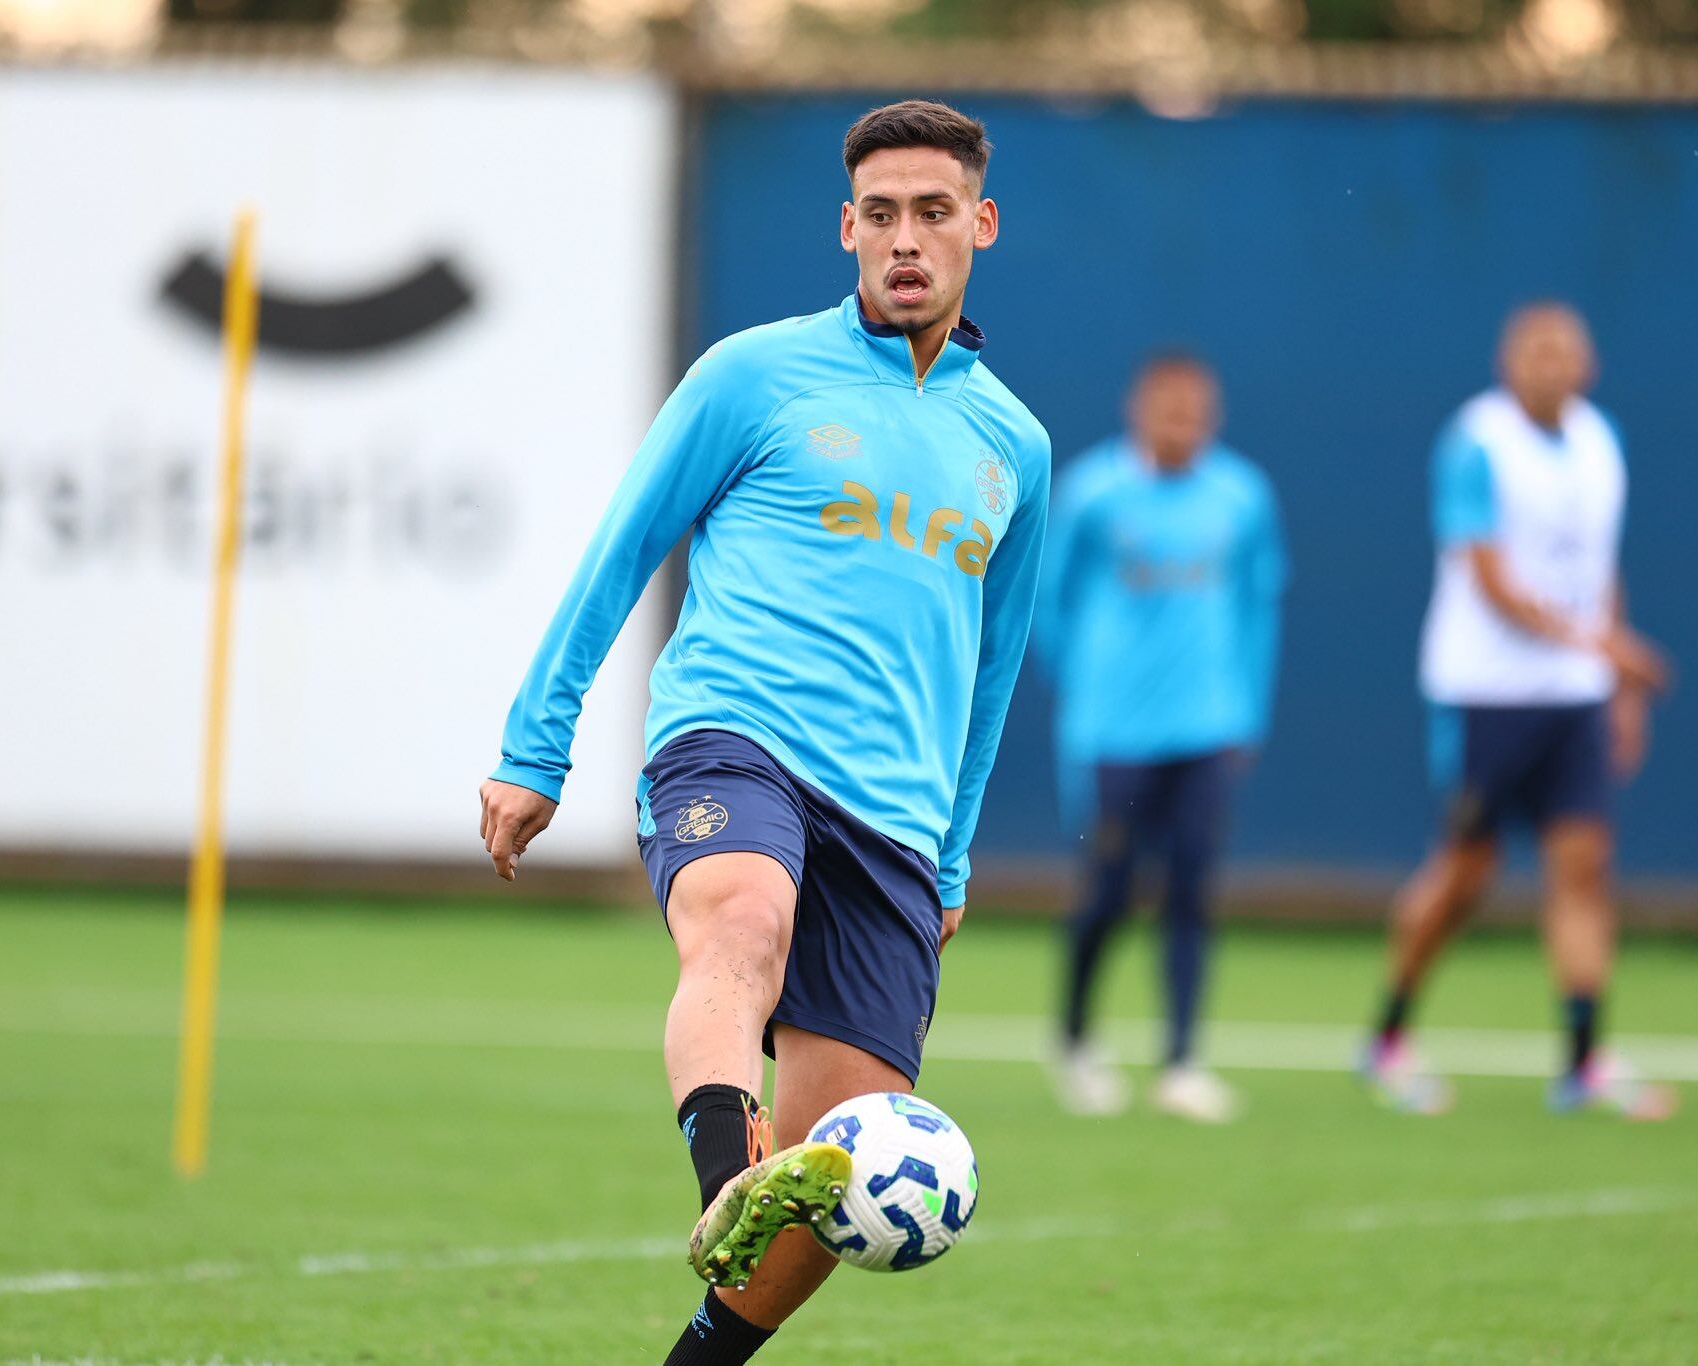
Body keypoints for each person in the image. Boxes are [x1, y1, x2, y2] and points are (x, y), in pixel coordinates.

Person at [476, 100, 1050, 1364]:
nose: (906, 239)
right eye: (882, 215)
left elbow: (992, 669)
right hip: (734, 740)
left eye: (933, 213)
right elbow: (623, 549)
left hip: (893, 822)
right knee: (740, 917)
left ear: (980, 227)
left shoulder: (1014, 443)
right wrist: (535, 746)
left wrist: (950, 857)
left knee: (844, 1164)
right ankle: (721, 1179)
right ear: (847, 230)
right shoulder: (752, 374)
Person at [1361, 302, 1675, 1120]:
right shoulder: (1479, 441)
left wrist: (1618, 686)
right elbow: (1492, 582)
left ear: (1589, 365)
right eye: (1536, 351)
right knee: (1467, 872)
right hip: (1484, 692)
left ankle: (1583, 1060)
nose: (1552, 364)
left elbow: (1600, 573)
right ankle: (1388, 1039)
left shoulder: (1602, 442)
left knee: (1584, 868)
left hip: (1574, 699)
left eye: (1566, 351)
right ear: (1509, 362)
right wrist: (1605, 649)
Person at [1034, 355, 1286, 1124]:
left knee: (1191, 887)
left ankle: (1181, 1059)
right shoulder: (1092, 491)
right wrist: (1079, 685)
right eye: (1167, 410)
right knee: (1110, 889)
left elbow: (1259, 605)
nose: (1181, 425)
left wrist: (1246, 709)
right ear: (1137, 409)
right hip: (1114, 730)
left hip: (1207, 728)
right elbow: (1046, 597)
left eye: (1194, 411)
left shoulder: (1242, 496)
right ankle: (1074, 1038)